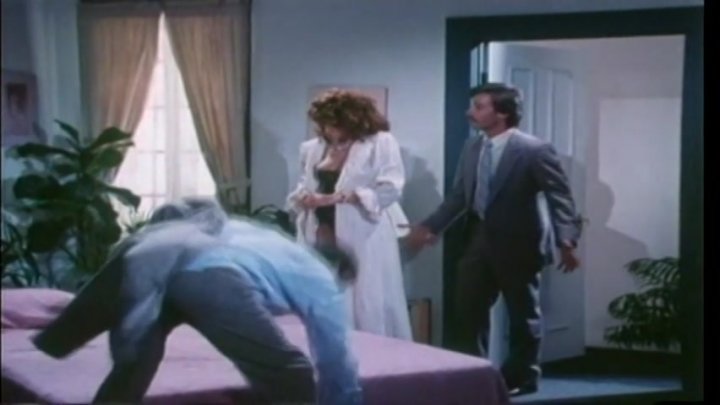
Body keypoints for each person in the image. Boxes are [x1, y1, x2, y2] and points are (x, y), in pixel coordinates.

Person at [32, 198, 363, 405]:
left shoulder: (271, 240)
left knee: (135, 365)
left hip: (161, 271)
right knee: (290, 372)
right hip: (211, 278)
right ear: (339, 271)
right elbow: (333, 354)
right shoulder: (322, 278)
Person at [405, 83, 583, 396]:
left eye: (478, 106)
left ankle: (521, 377)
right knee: (468, 312)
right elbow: (459, 196)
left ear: (502, 113)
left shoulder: (533, 150)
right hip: (477, 240)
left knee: (522, 316)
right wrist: (430, 227)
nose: (469, 112)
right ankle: (474, 376)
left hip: (520, 243)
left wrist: (566, 240)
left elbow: (560, 197)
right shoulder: (473, 147)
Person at [287, 89, 412, 340]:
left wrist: (337, 198)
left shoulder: (380, 143)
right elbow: (306, 182)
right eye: (323, 122)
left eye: (333, 122)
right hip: (321, 226)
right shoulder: (313, 148)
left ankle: (372, 350)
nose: (327, 128)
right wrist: (302, 196)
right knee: (325, 288)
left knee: (364, 293)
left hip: (363, 229)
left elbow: (390, 188)